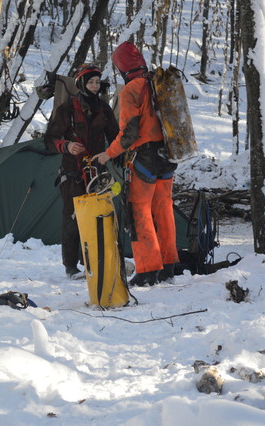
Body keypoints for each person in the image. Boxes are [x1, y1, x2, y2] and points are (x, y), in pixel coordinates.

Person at [92, 41, 179, 287]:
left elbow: (128, 135)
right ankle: (168, 265)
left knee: (138, 210)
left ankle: (147, 271)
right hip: (169, 155)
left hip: (146, 157)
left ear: (122, 66)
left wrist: (108, 154)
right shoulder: (158, 82)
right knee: (163, 207)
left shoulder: (132, 89)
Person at [45, 64, 119, 279]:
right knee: (71, 218)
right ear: (81, 83)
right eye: (91, 82)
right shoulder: (67, 108)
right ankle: (70, 265)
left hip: (97, 172)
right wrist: (66, 146)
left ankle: (92, 260)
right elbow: (49, 140)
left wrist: (115, 153)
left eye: (97, 82)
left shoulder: (104, 109)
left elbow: (115, 137)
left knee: (97, 217)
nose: (95, 86)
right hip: (72, 171)